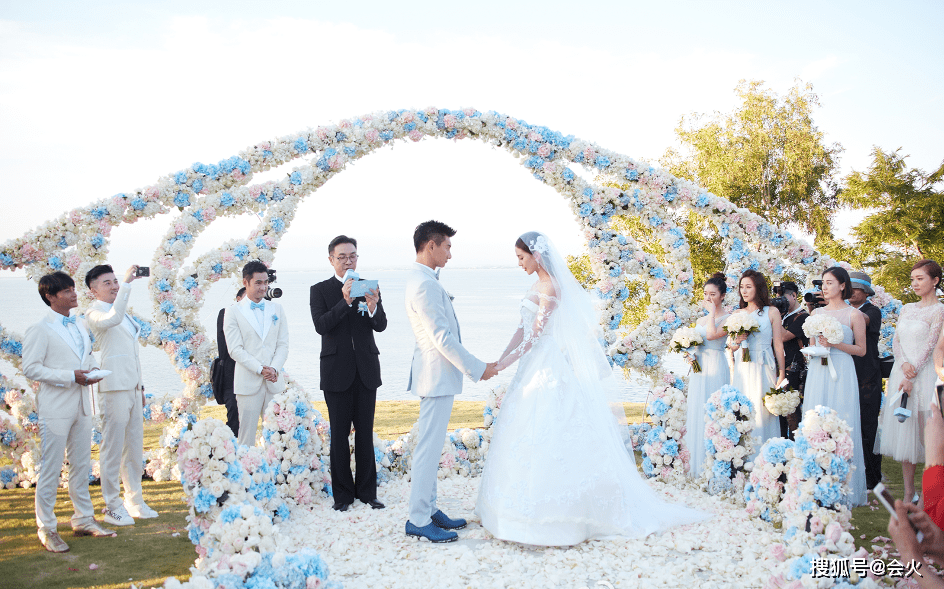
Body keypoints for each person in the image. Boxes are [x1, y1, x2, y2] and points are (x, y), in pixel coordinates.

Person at [476, 232, 709, 545]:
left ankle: (562, 516)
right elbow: (520, 330)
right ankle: (510, 511)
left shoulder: (551, 287)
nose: (519, 264)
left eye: (521, 257)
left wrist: (503, 365)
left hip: (547, 365)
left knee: (553, 427)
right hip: (530, 367)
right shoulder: (534, 285)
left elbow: (535, 335)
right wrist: (501, 358)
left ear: (536, 255)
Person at [404, 221, 497, 543]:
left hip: (436, 376)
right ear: (431, 245)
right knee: (428, 450)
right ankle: (418, 518)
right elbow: (442, 337)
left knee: (430, 447)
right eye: (447, 247)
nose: (450, 254)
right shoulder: (424, 284)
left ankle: (428, 509)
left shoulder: (424, 279)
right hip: (435, 376)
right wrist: (477, 367)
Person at [22, 272, 114, 552]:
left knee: (82, 465)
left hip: (83, 403)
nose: (74, 294)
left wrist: (93, 371)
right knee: (51, 468)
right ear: (50, 296)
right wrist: (70, 376)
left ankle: (84, 519)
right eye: (66, 291)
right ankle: (47, 528)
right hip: (56, 407)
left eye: (74, 289)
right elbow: (31, 368)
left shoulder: (80, 323)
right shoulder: (40, 329)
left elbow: (84, 356)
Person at [310, 235, 387, 512]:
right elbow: (321, 325)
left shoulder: (369, 286)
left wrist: (373, 305)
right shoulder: (319, 290)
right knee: (339, 436)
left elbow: (381, 325)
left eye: (352, 255)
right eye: (341, 256)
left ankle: (368, 493)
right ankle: (342, 496)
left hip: (366, 370)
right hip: (335, 373)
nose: (348, 261)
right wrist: (344, 301)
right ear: (331, 259)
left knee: (365, 432)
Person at [86, 264, 157, 526]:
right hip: (112, 387)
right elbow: (112, 320)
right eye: (108, 283)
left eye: (116, 281)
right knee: (112, 449)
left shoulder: (123, 313)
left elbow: (132, 354)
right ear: (93, 289)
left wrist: (140, 387)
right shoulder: (94, 312)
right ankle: (112, 505)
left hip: (131, 387)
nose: (115, 286)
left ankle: (134, 501)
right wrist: (128, 283)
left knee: (134, 446)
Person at [877, 259, 944, 504]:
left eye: (920, 278)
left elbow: (933, 343)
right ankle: (908, 493)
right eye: (913, 279)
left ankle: (930, 493)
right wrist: (904, 364)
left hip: (926, 375)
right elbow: (896, 341)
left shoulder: (940, 310)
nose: (915, 283)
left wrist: (913, 369)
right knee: (906, 431)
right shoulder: (907, 308)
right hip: (902, 371)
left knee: (929, 434)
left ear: (935, 281)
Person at [800, 267, 868, 506]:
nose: (825, 288)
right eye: (823, 284)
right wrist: (816, 348)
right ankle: (815, 480)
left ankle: (844, 484)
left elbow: (861, 350)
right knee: (815, 420)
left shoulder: (854, 315)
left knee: (843, 420)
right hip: (819, 369)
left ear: (842, 285)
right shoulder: (816, 313)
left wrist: (836, 344)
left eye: (830, 283)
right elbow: (812, 345)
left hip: (842, 370)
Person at [223, 260, 289, 447]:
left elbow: (283, 344)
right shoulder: (233, 311)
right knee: (246, 437)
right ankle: (247, 472)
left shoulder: (277, 309)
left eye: (266, 282)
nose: (263, 287)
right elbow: (235, 349)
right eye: (258, 283)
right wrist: (260, 369)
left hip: (274, 382)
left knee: (277, 436)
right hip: (248, 383)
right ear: (246, 282)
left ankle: (275, 474)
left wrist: (274, 368)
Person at [727, 270, 786, 452]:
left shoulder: (771, 312)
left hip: (763, 365)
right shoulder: (737, 313)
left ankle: (768, 455)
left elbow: (777, 344)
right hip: (743, 368)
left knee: (763, 410)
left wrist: (781, 372)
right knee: (743, 408)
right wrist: (737, 340)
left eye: (748, 287)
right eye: (742, 287)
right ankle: (742, 456)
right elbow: (730, 345)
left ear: (758, 288)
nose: (744, 291)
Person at [683, 273, 730, 478]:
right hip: (699, 368)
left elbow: (712, 335)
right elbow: (698, 340)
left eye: (713, 294)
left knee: (714, 412)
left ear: (722, 296)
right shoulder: (700, 319)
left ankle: (715, 464)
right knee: (697, 409)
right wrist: (688, 353)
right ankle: (695, 463)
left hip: (716, 365)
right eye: (705, 294)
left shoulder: (728, 317)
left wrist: (712, 312)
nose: (708, 298)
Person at [847, 271, 884, 490]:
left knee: (868, 426)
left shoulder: (872, 311)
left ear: (865, 292)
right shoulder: (842, 311)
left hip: (867, 376)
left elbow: (859, 321)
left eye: (856, 289)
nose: (851, 293)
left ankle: (873, 475)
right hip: (847, 373)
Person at [778, 281, 808, 439]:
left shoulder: (802, 317)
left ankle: (796, 448)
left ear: (794, 296)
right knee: (779, 413)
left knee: (792, 415)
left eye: (783, 298)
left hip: (794, 371)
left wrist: (775, 315)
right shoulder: (782, 316)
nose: (780, 302)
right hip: (778, 369)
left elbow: (783, 336)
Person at [214, 287, 245, 436]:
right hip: (230, 372)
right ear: (238, 299)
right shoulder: (225, 313)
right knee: (233, 410)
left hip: (250, 373)